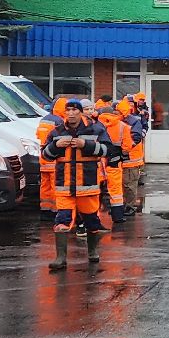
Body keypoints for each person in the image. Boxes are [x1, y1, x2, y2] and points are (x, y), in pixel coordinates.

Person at [43, 100, 110, 270]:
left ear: (80, 112)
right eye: (68, 110)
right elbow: (45, 155)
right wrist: (55, 145)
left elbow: (108, 150)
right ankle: (60, 258)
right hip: (64, 186)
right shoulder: (57, 132)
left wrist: (85, 145)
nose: (71, 113)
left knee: (91, 221)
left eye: (74, 110)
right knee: (62, 221)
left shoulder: (95, 129)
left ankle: (93, 251)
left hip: (87, 185)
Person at [96, 105, 132, 224]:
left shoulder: (95, 125)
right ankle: (118, 217)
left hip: (98, 162)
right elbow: (127, 147)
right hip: (114, 161)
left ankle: (94, 216)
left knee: (96, 189)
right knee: (116, 191)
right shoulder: (123, 127)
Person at [34, 98, 65, 213]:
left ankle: (45, 209)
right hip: (53, 159)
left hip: (43, 158)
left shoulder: (44, 119)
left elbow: (38, 135)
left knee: (45, 185)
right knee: (55, 185)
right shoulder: (59, 122)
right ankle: (56, 210)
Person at [121, 98, 149, 185]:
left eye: (132, 103)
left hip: (137, 144)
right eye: (129, 103)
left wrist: (141, 135)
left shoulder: (139, 114)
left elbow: (145, 125)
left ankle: (139, 179)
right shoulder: (122, 115)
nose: (131, 104)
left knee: (138, 162)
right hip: (127, 145)